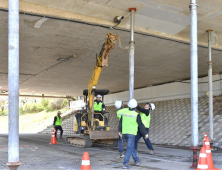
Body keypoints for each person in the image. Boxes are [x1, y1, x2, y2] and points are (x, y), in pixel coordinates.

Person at [118, 99, 148, 169]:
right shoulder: (136, 115)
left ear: (128, 105)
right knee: (129, 148)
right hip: (131, 133)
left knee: (131, 147)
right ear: (135, 106)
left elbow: (120, 123)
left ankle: (137, 160)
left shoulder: (124, 113)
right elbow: (141, 125)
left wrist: (120, 131)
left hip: (124, 133)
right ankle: (125, 163)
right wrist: (145, 133)